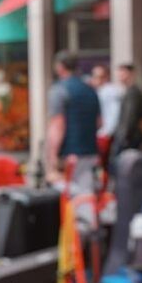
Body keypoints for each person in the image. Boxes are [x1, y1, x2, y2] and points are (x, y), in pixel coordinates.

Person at [45, 51, 101, 193]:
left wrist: (52, 159)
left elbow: (57, 126)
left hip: (70, 156)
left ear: (60, 67)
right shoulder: (90, 90)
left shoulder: (59, 90)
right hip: (91, 152)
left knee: (70, 200)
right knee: (87, 197)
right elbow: (99, 122)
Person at [110, 63, 142, 160]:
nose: (119, 76)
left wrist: (122, 138)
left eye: (122, 73)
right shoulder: (129, 92)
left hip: (128, 139)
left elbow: (129, 117)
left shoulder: (132, 93)